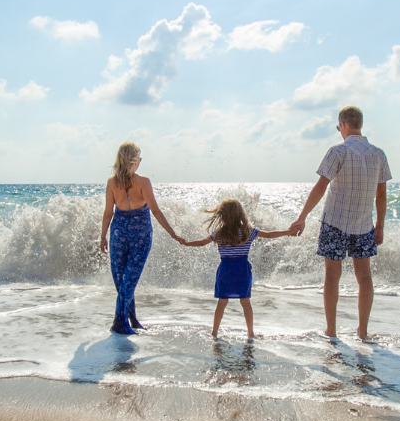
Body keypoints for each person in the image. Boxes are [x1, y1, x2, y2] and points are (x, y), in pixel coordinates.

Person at [288, 106, 391, 341]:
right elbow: (381, 196)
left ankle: (332, 331)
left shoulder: (338, 152)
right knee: (364, 277)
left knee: (332, 276)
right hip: (364, 225)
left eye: (338, 127)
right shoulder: (378, 154)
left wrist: (302, 216)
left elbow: (320, 187)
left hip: (335, 222)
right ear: (360, 125)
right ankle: (362, 332)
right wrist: (381, 226)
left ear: (343, 125)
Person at [100, 142, 183, 335]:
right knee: (129, 278)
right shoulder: (143, 182)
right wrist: (172, 233)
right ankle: (120, 321)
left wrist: (103, 236)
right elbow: (154, 210)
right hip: (140, 233)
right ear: (136, 162)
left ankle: (131, 319)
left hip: (119, 232)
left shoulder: (112, 183)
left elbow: (107, 213)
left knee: (123, 279)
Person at [181, 198, 292, 338]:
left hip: (225, 270)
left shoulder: (219, 232)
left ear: (222, 215)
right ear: (240, 213)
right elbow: (269, 234)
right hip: (242, 270)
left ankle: (214, 332)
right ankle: (251, 333)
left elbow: (203, 242)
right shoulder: (248, 231)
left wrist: (187, 243)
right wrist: (287, 232)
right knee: (245, 302)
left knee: (222, 302)